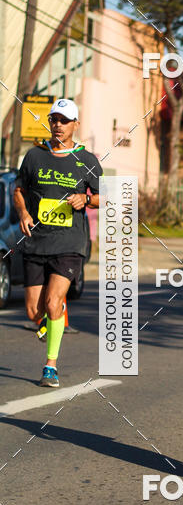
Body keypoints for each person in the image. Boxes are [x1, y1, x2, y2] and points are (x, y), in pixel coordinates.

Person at [13, 99, 102, 387]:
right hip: (36, 241)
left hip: (70, 243)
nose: (58, 125)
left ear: (76, 124)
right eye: (54, 120)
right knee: (33, 311)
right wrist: (24, 212)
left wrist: (86, 199)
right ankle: (49, 323)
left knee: (53, 302)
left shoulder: (86, 160)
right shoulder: (34, 156)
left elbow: (108, 196)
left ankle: (50, 366)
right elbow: (18, 189)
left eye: (64, 121)